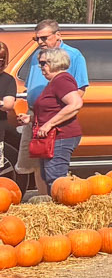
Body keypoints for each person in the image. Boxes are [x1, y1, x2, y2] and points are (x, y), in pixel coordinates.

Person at [27, 47, 85, 197]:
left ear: (54, 62)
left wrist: (49, 124)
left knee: (56, 179)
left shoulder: (62, 80)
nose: (41, 67)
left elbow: (75, 104)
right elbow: (51, 110)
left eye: (43, 63)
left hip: (61, 136)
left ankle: (64, 214)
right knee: (49, 177)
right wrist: (31, 119)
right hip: (51, 136)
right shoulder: (54, 82)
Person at [20, 20, 88, 105]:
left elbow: (80, 88)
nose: (40, 42)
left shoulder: (74, 55)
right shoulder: (37, 55)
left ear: (58, 35)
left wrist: (63, 109)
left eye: (44, 38)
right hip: (35, 110)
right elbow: (30, 85)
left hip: (55, 111)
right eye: (37, 39)